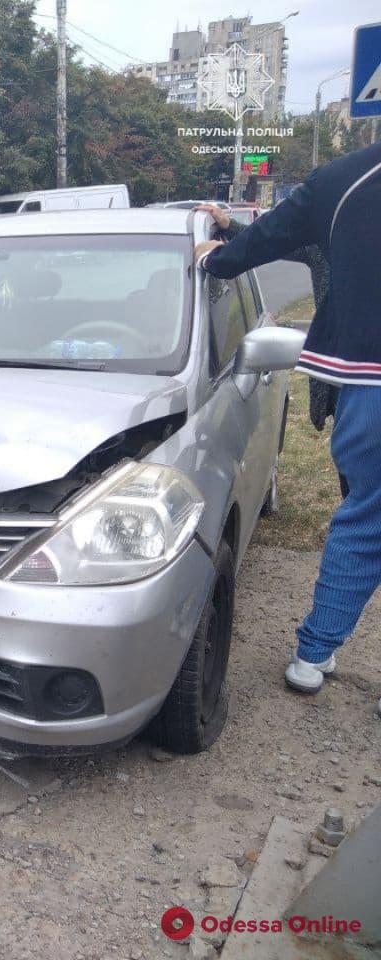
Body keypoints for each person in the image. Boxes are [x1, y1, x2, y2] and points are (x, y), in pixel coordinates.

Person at [195, 142, 381, 713]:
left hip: (370, 384)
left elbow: (275, 234)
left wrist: (215, 258)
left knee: (364, 518)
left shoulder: (349, 177)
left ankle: (314, 654)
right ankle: (313, 652)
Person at [195, 203, 346, 496]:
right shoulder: (327, 242)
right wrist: (230, 228)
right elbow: (275, 240)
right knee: (356, 471)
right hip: (344, 383)